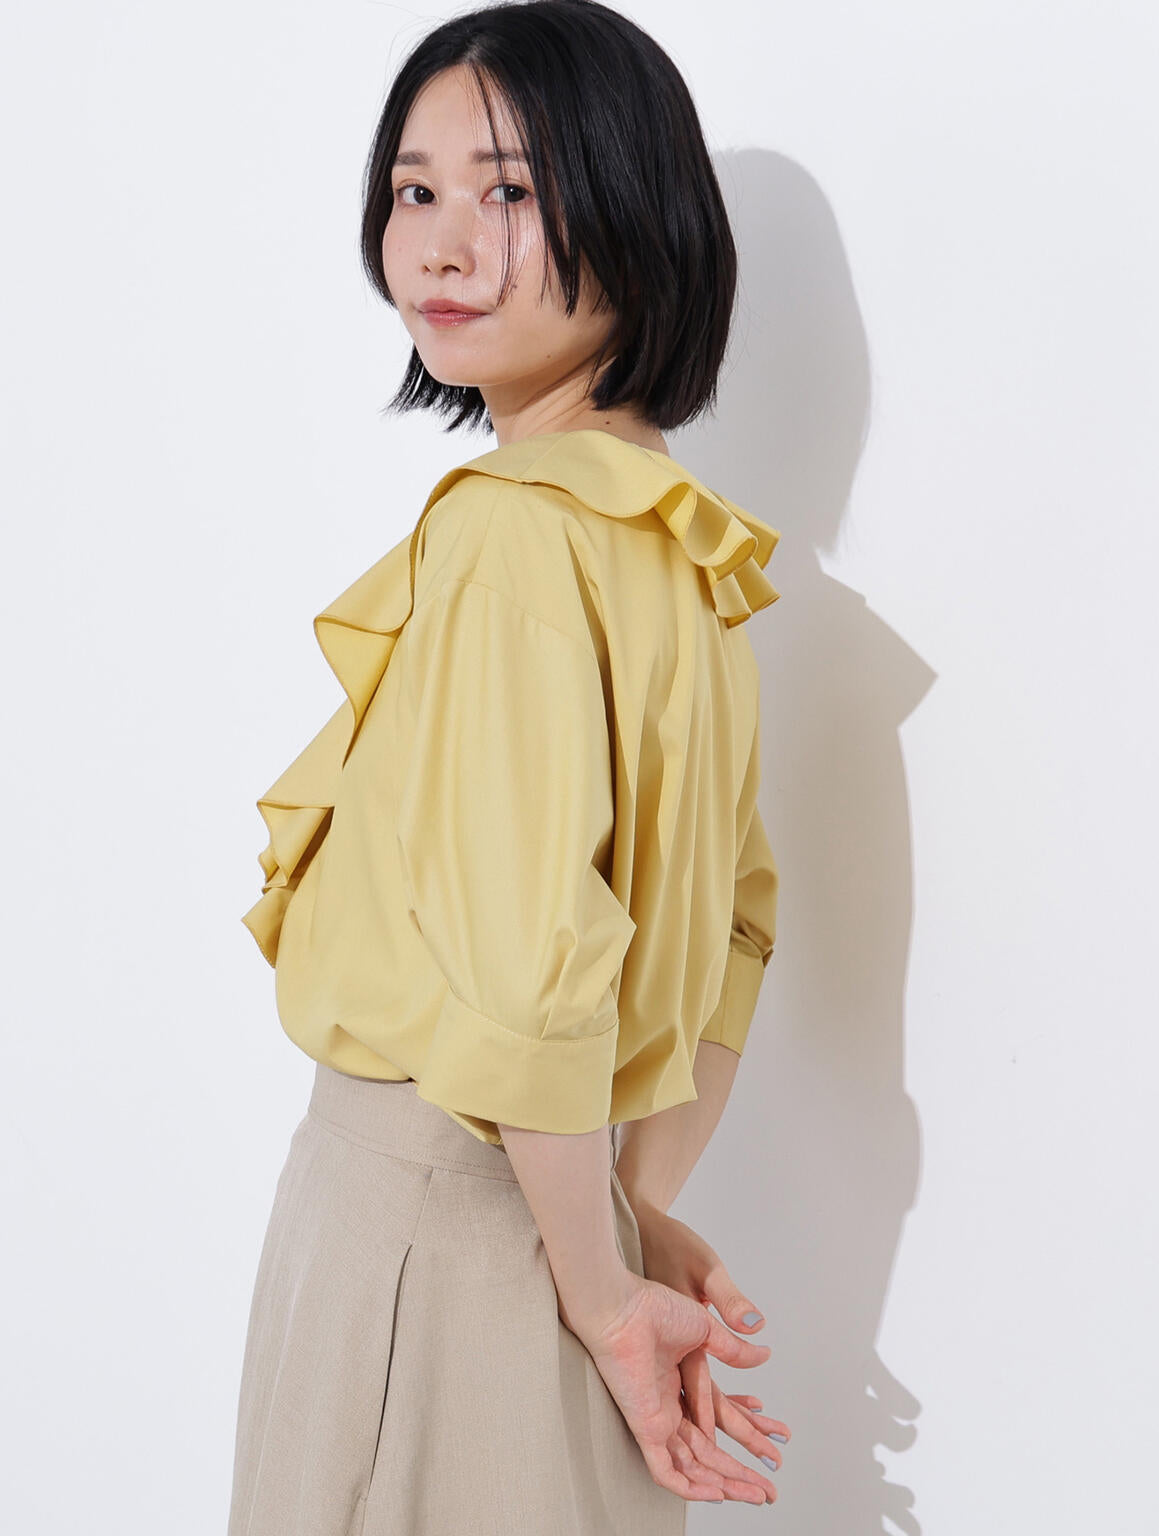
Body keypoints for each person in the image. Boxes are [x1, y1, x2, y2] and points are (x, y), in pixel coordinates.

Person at [226, 3, 788, 1531]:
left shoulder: (510, 536)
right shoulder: (684, 549)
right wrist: (626, 1218)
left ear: (633, 204)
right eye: (414, 190)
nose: (444, 244)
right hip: (573, 1223)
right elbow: (738, 934)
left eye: (513, 190)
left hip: (427, 1241)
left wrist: (604, 1291)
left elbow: (532, 970)